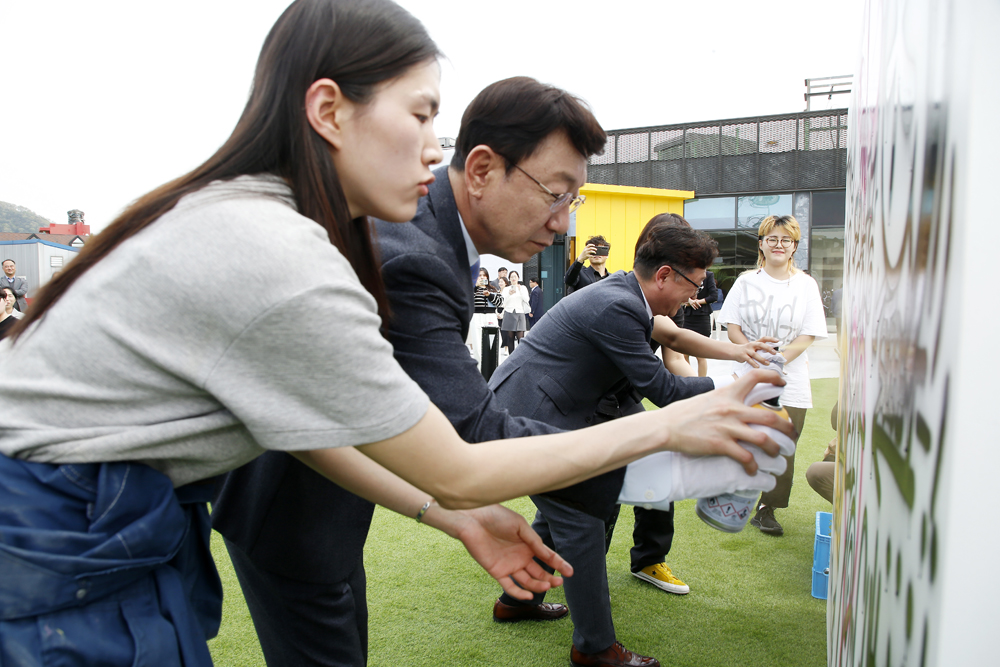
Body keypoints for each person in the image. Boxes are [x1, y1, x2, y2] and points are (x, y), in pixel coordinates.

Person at [0, 4, 793, 664]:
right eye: (419, 115)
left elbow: (312, 424)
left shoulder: (279, 220)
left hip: (103, 523)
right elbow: (460, 460)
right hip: (58, 533)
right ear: (328, 111)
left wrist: (448, 513)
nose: (431, 149)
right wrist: (673, 422)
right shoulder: (286, 252)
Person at [487, 218, 784, 667]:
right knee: (582, 516)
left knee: (563, 515)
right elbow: (662, 389)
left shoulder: (629, 292)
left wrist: (740, 353)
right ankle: (595, 648)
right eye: (694, 284)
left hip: (556, 409)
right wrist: (738, 390)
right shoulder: (617, 306)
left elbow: (672, 334)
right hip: (531, 415)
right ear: (664, 274)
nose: (695, 296)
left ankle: (517, 600)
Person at [719, 214, 827, 536]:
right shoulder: (745, 281)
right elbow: (733, 327)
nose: (779, 245)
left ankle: (768, 508)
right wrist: (752, 353)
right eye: (772, 239)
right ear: (762, 244)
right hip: (747, 373)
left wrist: (778, 360)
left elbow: (808, 334)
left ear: (794, 246)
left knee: (782, 443)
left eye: (786, 240)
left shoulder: (806, 284)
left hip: (789, 379)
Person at [679, 269, 718, 376]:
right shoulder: (685, 273)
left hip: (701, 317)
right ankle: (689, 380)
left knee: (700, 355)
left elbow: (714, 296)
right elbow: (678, 293)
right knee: (684, 354)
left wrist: (696, 302)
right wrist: (688, 301)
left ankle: (701, 383)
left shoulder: (708, 275)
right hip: (686, 316)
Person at [467, 267, 502, 364]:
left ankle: (493, 366)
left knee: (493, 342)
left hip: (491, 316)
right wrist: (475, 287)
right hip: (477, 316)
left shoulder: (493, 289)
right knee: (477, 345)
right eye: (479, 275)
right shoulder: (472, 289)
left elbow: (499, 302)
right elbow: (468, 301)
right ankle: (480, 367)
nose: (482, 277)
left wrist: (489, 295)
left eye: (484, 275)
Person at [500, 269, 530, 354]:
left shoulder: (523, 288)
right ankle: (511, 357)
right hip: (509, 312)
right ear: (509, 278)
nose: (513, 278)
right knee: (510, 337)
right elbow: (503, 302)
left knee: (521, 337)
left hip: (520, 313)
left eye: (515, 276)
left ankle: (520, 356)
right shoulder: (506, 289)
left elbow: (527, 299)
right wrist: (509, 294)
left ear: (518, 278)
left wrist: (520, 290)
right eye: (511, 277)